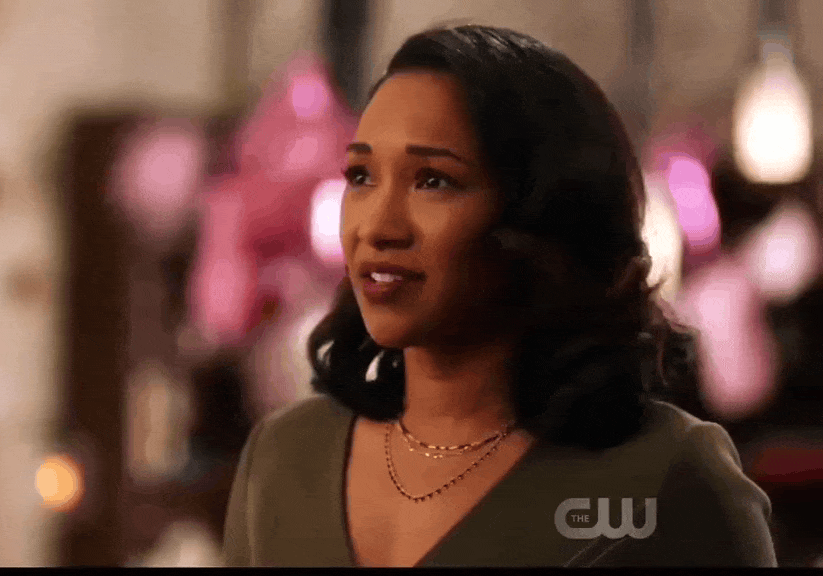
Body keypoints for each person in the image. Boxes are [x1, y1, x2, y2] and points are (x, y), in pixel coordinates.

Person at [220, 25, 777, 567]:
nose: (378, 227)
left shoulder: (666, 476)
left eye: (433, 180)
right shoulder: (284, 456)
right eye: (361, 176)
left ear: (540, 217)